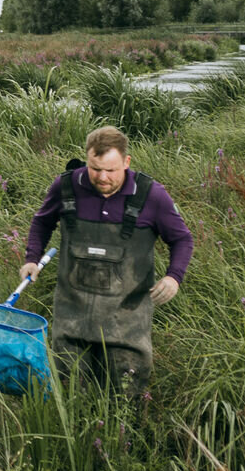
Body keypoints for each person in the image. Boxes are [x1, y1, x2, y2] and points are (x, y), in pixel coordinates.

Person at [22, 125, 192, 397]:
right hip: (71, 324)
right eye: (95, 168)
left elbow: (182, 239)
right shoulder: (66, 187)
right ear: (87, 159)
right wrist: (32, 258)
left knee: (125, 404)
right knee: (70, 397)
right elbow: (41, 223)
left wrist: (174, 277)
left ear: (126, 162)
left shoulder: (151, 195)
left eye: (110, 171)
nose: (101, 177)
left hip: (126, 328)